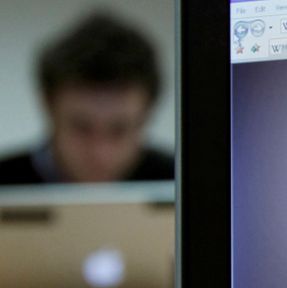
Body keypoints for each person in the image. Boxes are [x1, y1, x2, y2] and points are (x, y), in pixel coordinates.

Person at [0, 13, 173, 184]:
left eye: (119, 130)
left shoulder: (179, 183)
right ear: (48, 106)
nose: (100, 153)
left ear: (147, 113)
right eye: (81, 128)